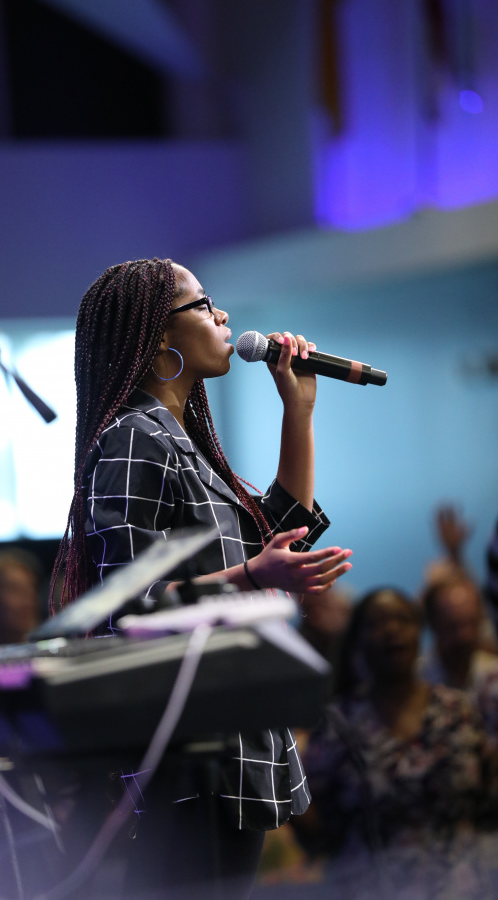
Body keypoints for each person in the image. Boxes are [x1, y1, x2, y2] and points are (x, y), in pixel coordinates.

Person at [52, 257, 353, 898]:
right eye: (204, 304)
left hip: (228, 727)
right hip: (191, 745)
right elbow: (125, 605)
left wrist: (298, 410)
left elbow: (278, 534)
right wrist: (251, 576)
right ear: (159, 332)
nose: (223, 317)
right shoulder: (134, 438)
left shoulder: (176, 440)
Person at [297, 587, 491, 900]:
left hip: (462, 887)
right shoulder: (337, 725)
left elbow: (487, 806)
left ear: (420, 631)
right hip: (368, 890)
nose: (391, 630)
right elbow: (318, 832)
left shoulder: (458, 712)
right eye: (376, 623)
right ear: (357, 639)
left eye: (402, 619)